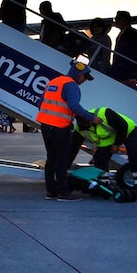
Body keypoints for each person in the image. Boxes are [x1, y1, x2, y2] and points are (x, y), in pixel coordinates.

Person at [36, 61, 101, 201]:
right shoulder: (71, 85)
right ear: (79, 74)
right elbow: (74, 106)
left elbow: (40, 103)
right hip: (60, 127)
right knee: (61, 159)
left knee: (51, 158)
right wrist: (92, 118)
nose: (84, 81)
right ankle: (63, 193)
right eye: (84, 77)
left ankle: (51, 191)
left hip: (46, 126)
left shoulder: (53, 82)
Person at [71, 108, 137, 195]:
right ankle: (104, 186)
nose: (86, 126)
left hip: (128, 132)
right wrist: (65, 166)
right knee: (99, 158)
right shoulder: (81, 128)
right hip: (108, 141)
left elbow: (123, 126)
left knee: (135, 157)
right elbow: (73, 149)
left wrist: (117, 144)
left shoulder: (104, 113)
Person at [111, 10, 137, 87]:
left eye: (118, 19)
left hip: (127, 71)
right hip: (120, 71)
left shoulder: (133, 33)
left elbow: (135, 54)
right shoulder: (123, 33)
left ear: (125, 20)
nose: (116, 21)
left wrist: (133, 75)